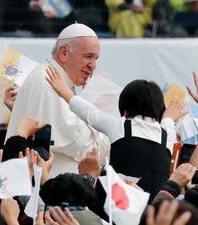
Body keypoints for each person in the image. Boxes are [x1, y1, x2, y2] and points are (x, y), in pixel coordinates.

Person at [46, 70, 183, 200]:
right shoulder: (167, 135)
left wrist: (63, 90)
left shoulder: (121, 126)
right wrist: (169, 114)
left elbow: (89, 113)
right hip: (153, 212)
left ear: (125, 110)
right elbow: (168, 121)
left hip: (118, 208)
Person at [5, 23, 110, 178]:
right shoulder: (46, 81)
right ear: (63, 52)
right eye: (88, 56)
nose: (92, 66)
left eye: (95, 58)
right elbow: (82, 145)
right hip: (47, 195)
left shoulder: (60, 81)